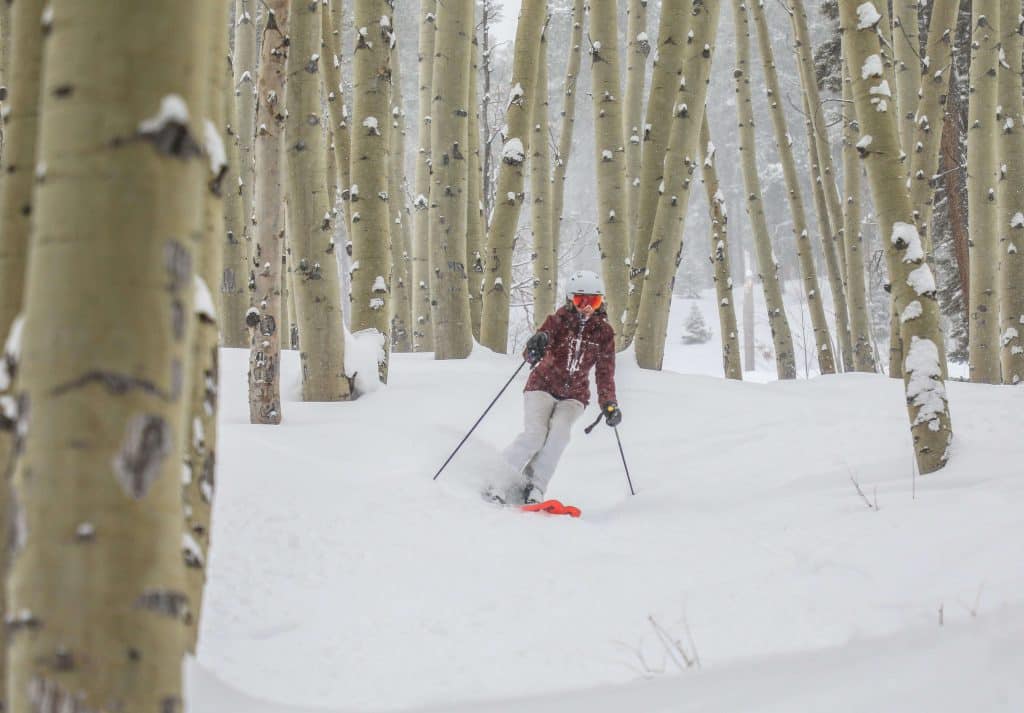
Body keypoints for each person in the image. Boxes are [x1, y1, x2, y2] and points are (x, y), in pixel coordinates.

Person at [489, 270, 623, 505]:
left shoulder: (604, 333)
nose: (587, 307)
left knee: (559, 435)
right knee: (535, 435)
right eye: (581, 300)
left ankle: (534, 486)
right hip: (542, 386)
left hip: (574, 396)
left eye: (594, 301)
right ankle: (497, 480)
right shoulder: (558, 320)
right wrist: (536, 345)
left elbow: (605, 372)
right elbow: (532, 352)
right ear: (570, 299)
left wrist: (609, 403)